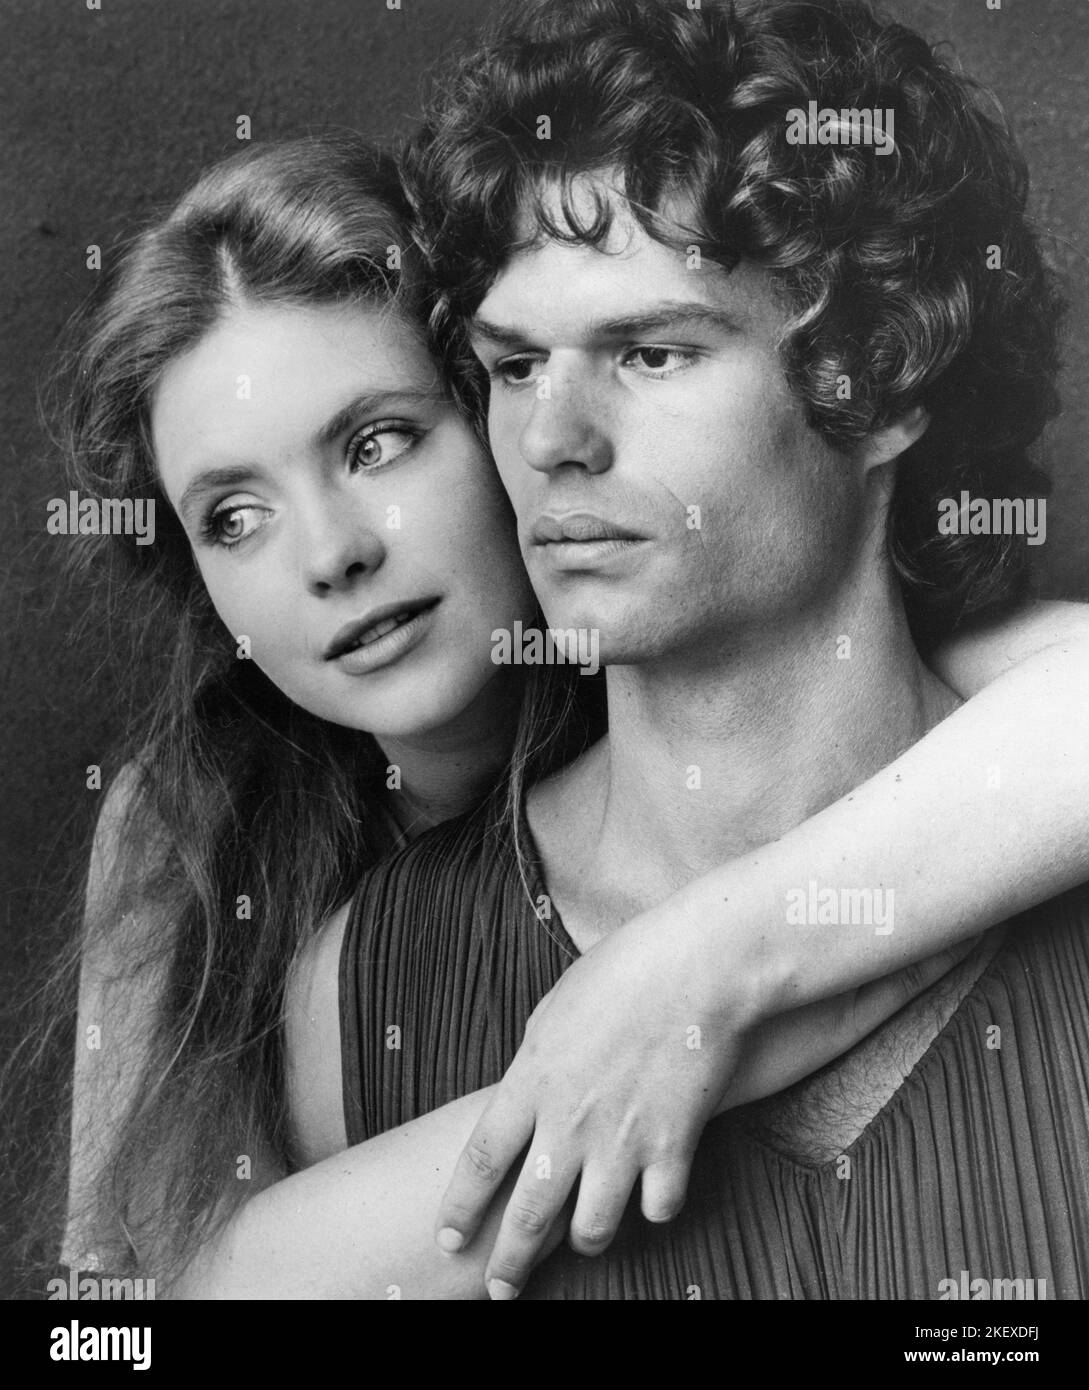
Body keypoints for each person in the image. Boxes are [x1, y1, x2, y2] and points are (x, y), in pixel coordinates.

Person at [41, 116, 1085, 1300]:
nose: (329, 556)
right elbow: (124, 1314)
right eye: (232, 516)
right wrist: (645, 1048)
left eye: (379, 443)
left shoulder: (745, 646)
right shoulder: (198, 821)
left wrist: (700, 969)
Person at [309, 0, 1089, 1299]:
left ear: (879, 384)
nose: (552, 439)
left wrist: (713, 966)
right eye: (510, 366)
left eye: (652, 351)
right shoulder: (375, 976)